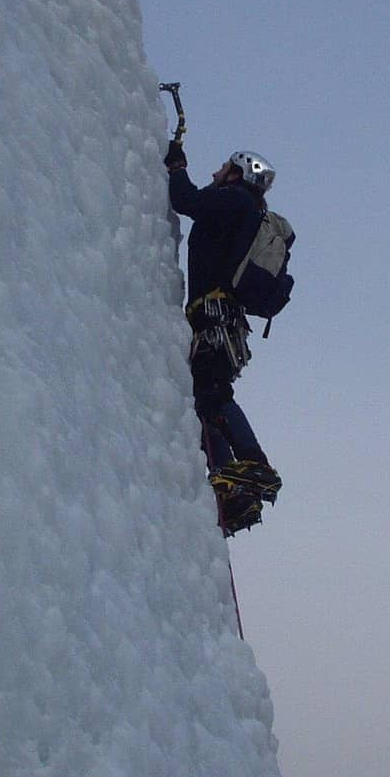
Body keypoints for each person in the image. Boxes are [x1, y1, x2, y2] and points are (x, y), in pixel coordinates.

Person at [164, 139, 282, 532]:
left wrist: (177, 165)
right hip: (220, 320)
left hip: (214, 317)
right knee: (205, 398)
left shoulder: (234, 199)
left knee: (212, 393)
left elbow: (187, 201)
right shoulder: (245, 209)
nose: (215, 173)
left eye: (221, 168)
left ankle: (252, 462)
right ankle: (233, 486)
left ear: (237, 173)